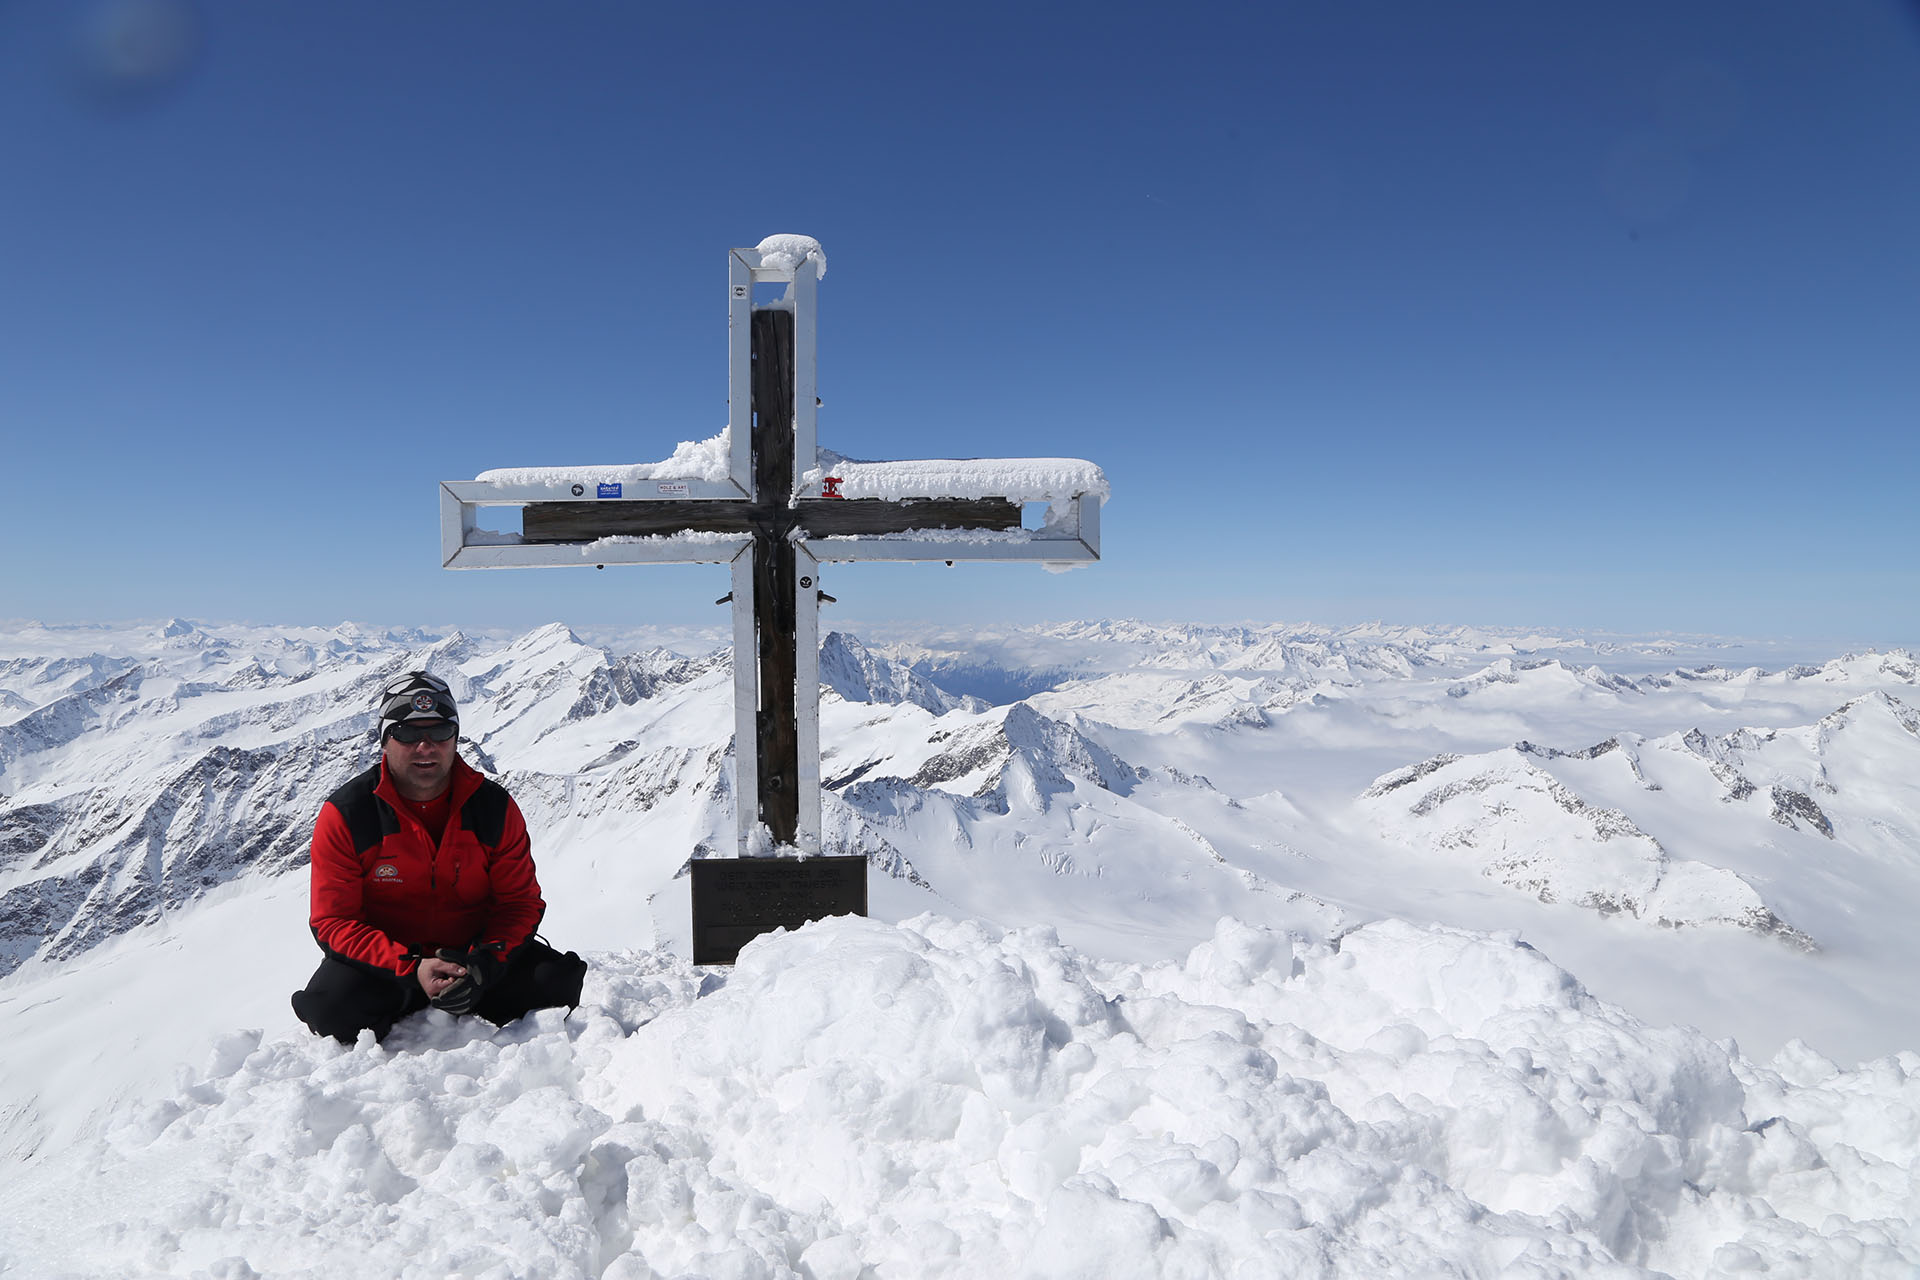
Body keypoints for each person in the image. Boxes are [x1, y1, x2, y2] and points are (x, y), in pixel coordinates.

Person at [290, 671, 586, 1043]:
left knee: (557, 984)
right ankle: (414, 993)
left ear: (456, 739)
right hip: (389, 964)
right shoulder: (349, 814)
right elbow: (334, 920)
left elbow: (519, 902)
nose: (425, 746)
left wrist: (485, 964)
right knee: (330, 1009)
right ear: (384, 741)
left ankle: (461, 993)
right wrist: (410, 968)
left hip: (473, 957)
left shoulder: (493, 808)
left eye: (440, 732)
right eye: (408, 733)